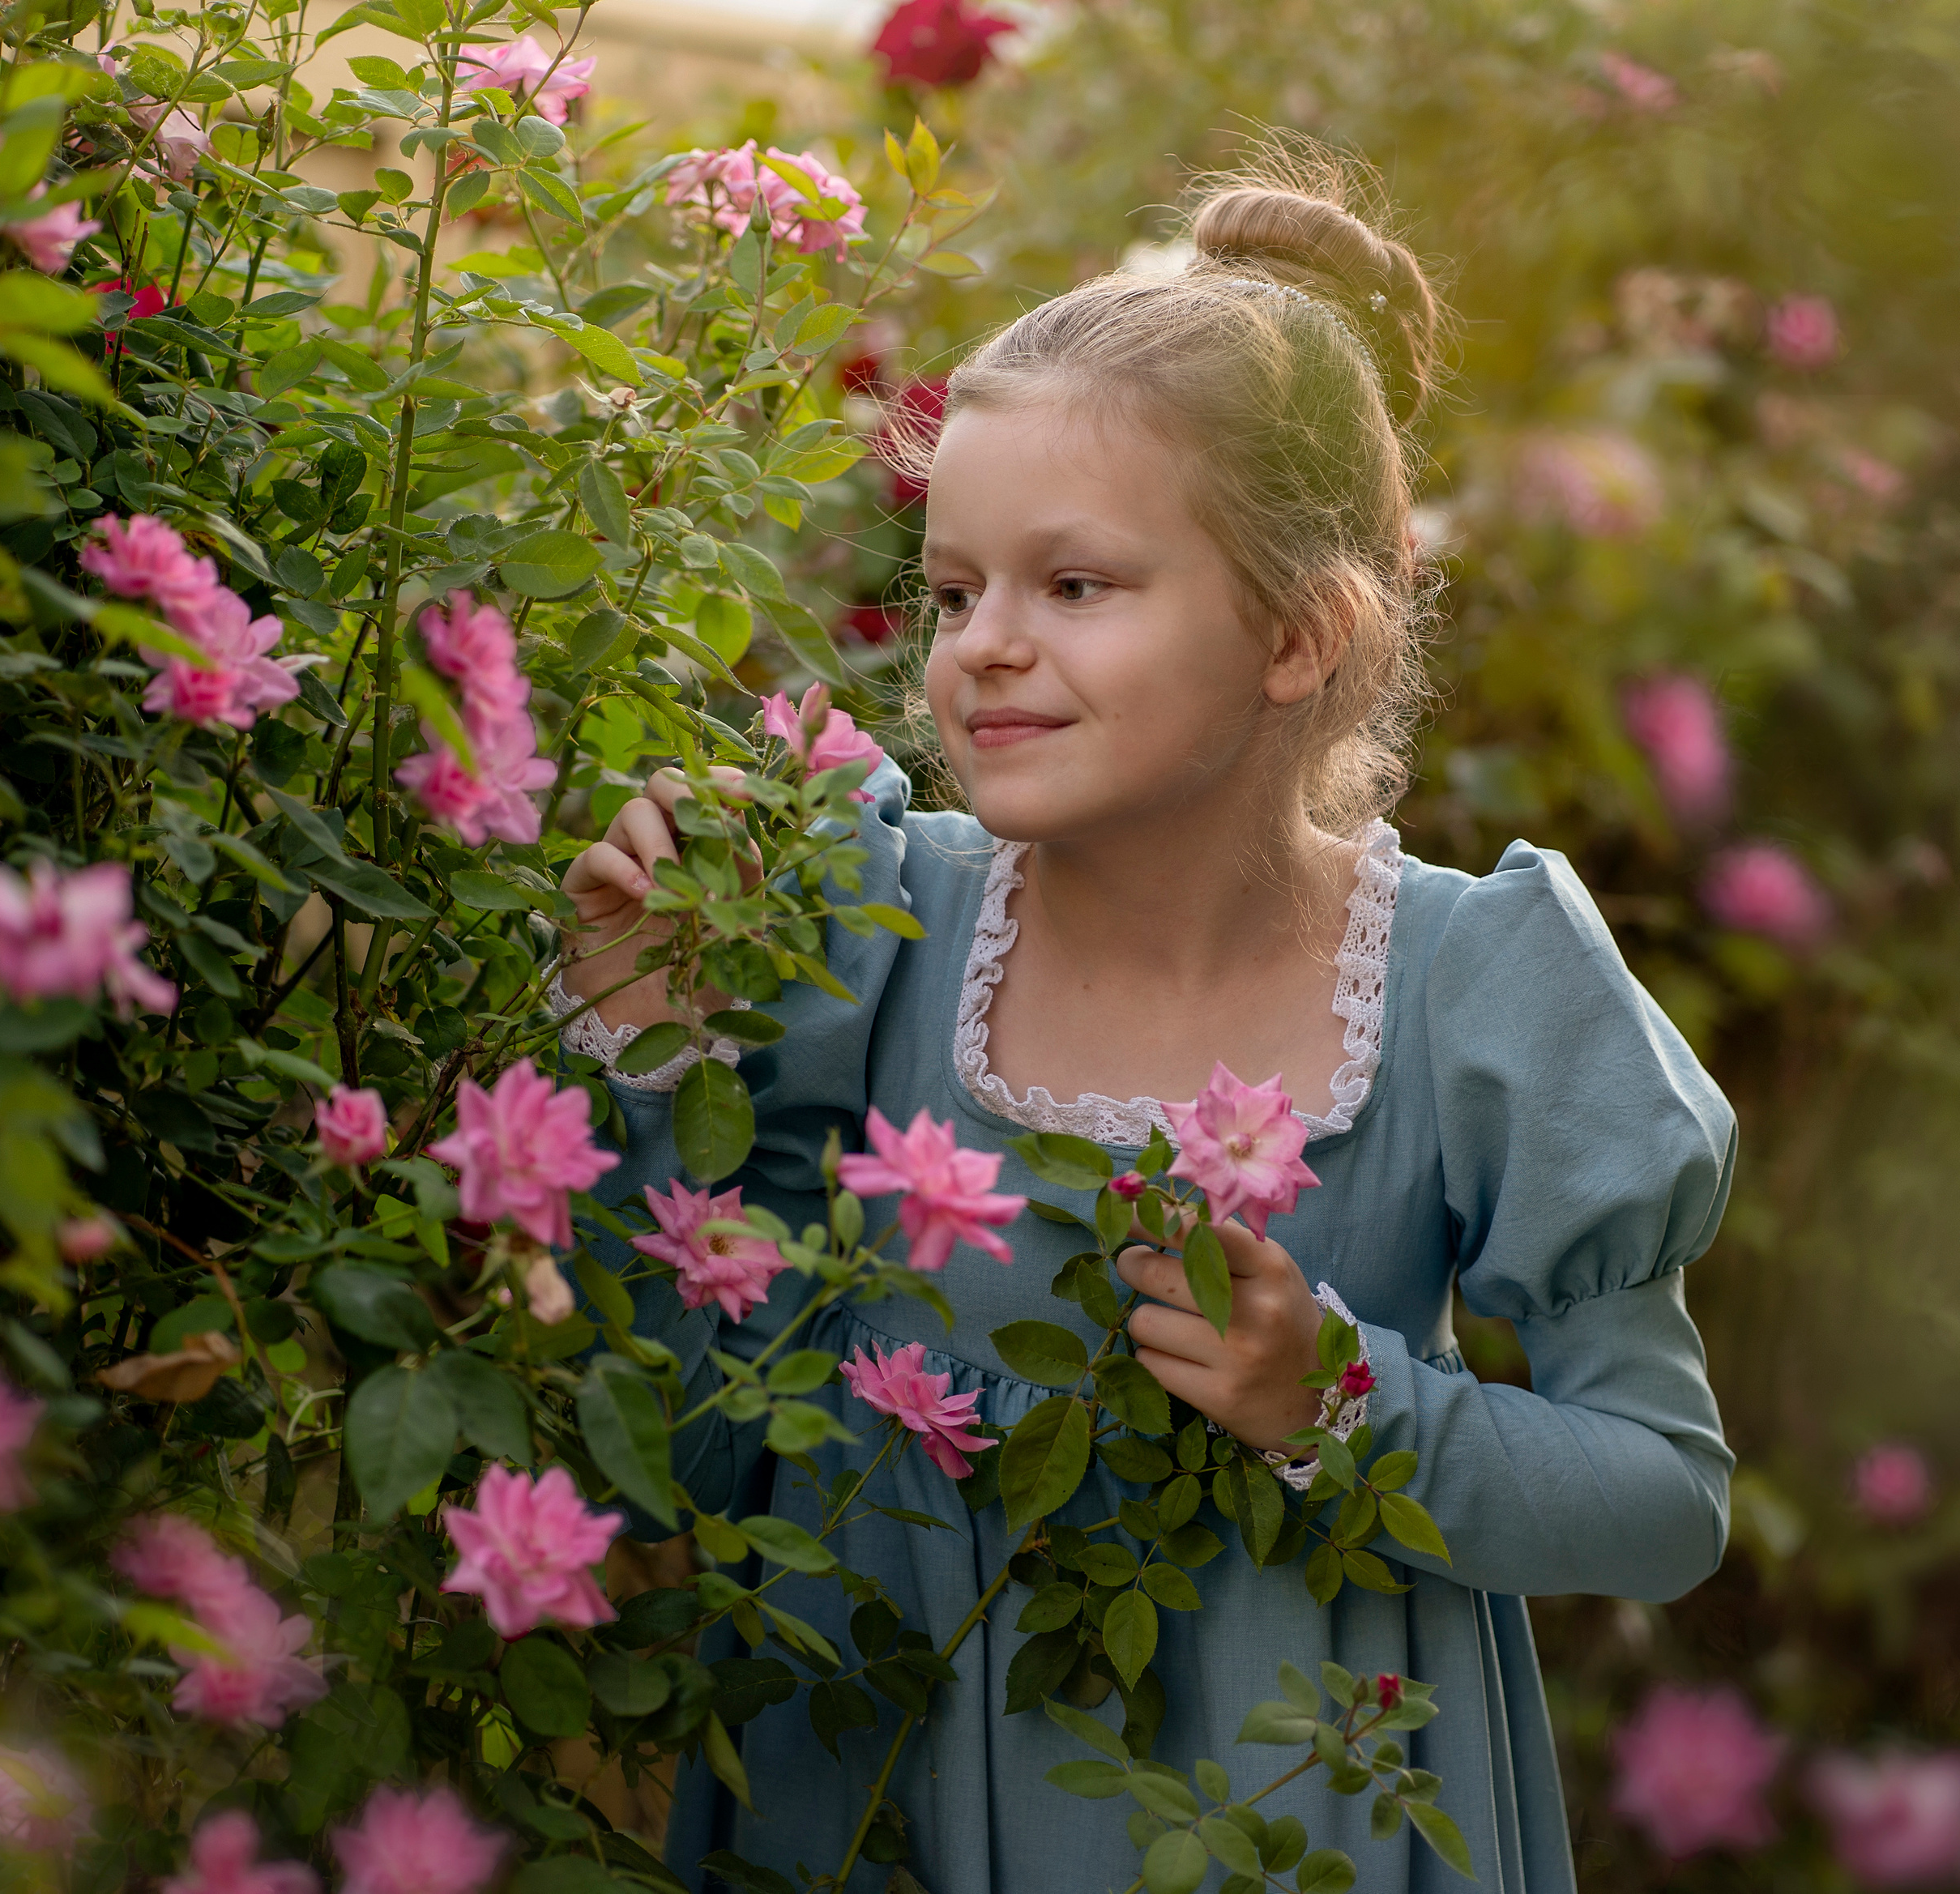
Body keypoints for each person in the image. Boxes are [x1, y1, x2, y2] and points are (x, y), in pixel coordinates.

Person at [556, 150, 1736, 1894]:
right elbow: (695, 1459)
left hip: (1303, 1824)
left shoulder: (1465, 985)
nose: (981, 646)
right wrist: (656, 1052)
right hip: (881, 1814)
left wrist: (1338, 1401)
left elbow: (1663, 1498)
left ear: (1297, 634)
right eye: (952, 590)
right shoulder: (864, 933)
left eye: (1074, 586)